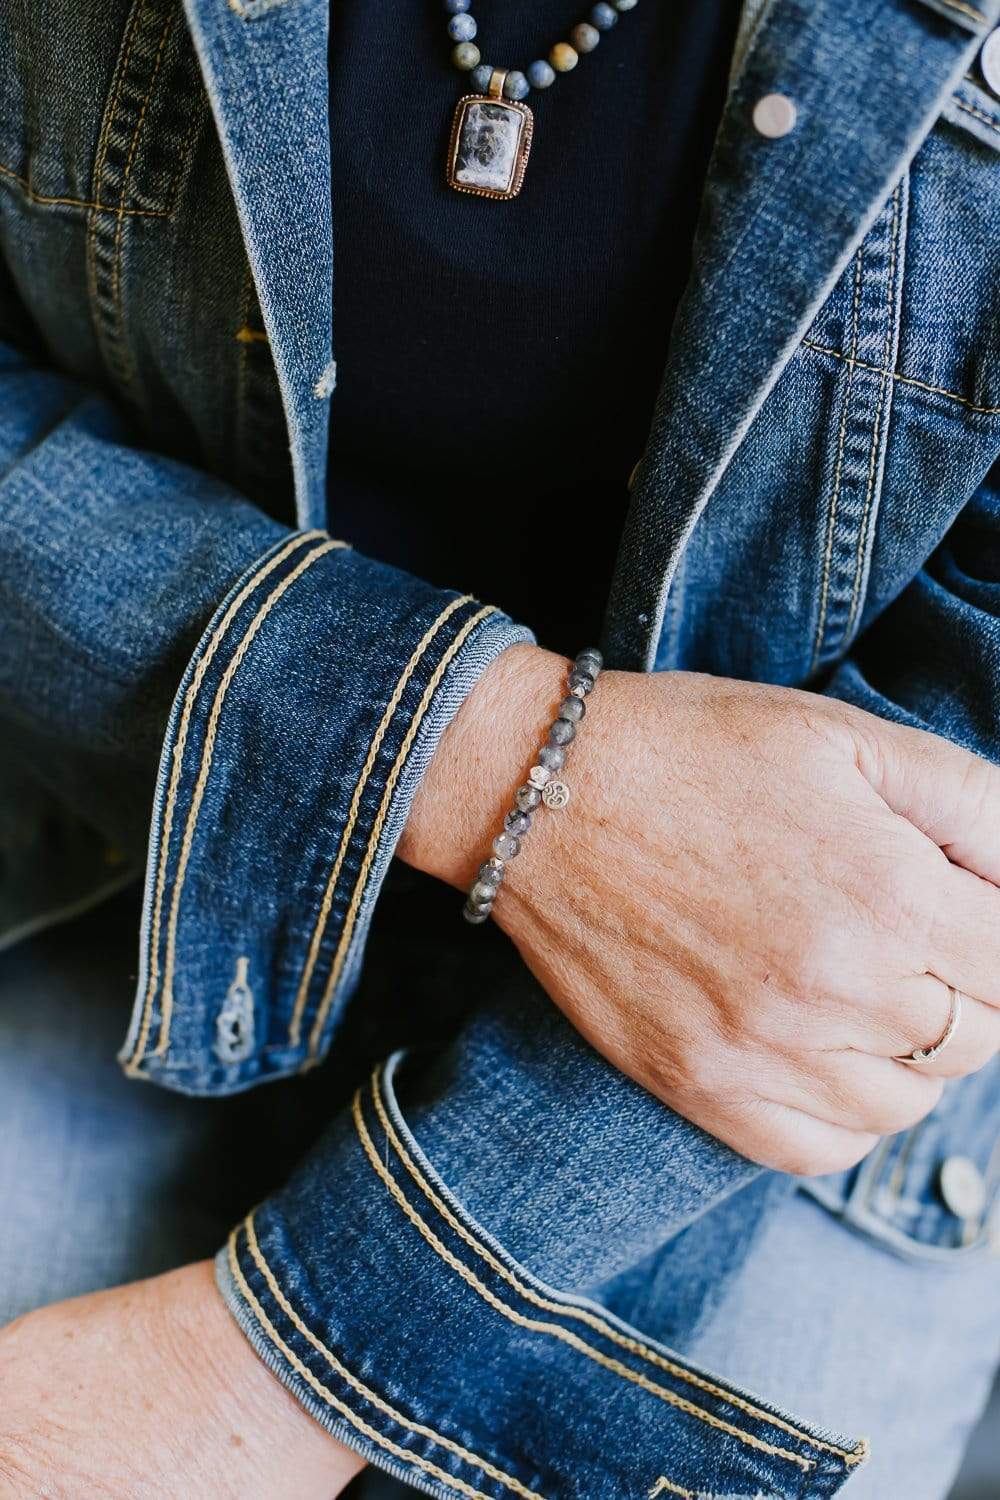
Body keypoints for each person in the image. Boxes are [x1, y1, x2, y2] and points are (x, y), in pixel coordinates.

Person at [1, 0, 1000, 1495]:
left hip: (801, 1060)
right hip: (109, 841)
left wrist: (282, 1354)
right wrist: (479, 755)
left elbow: (937, 824)